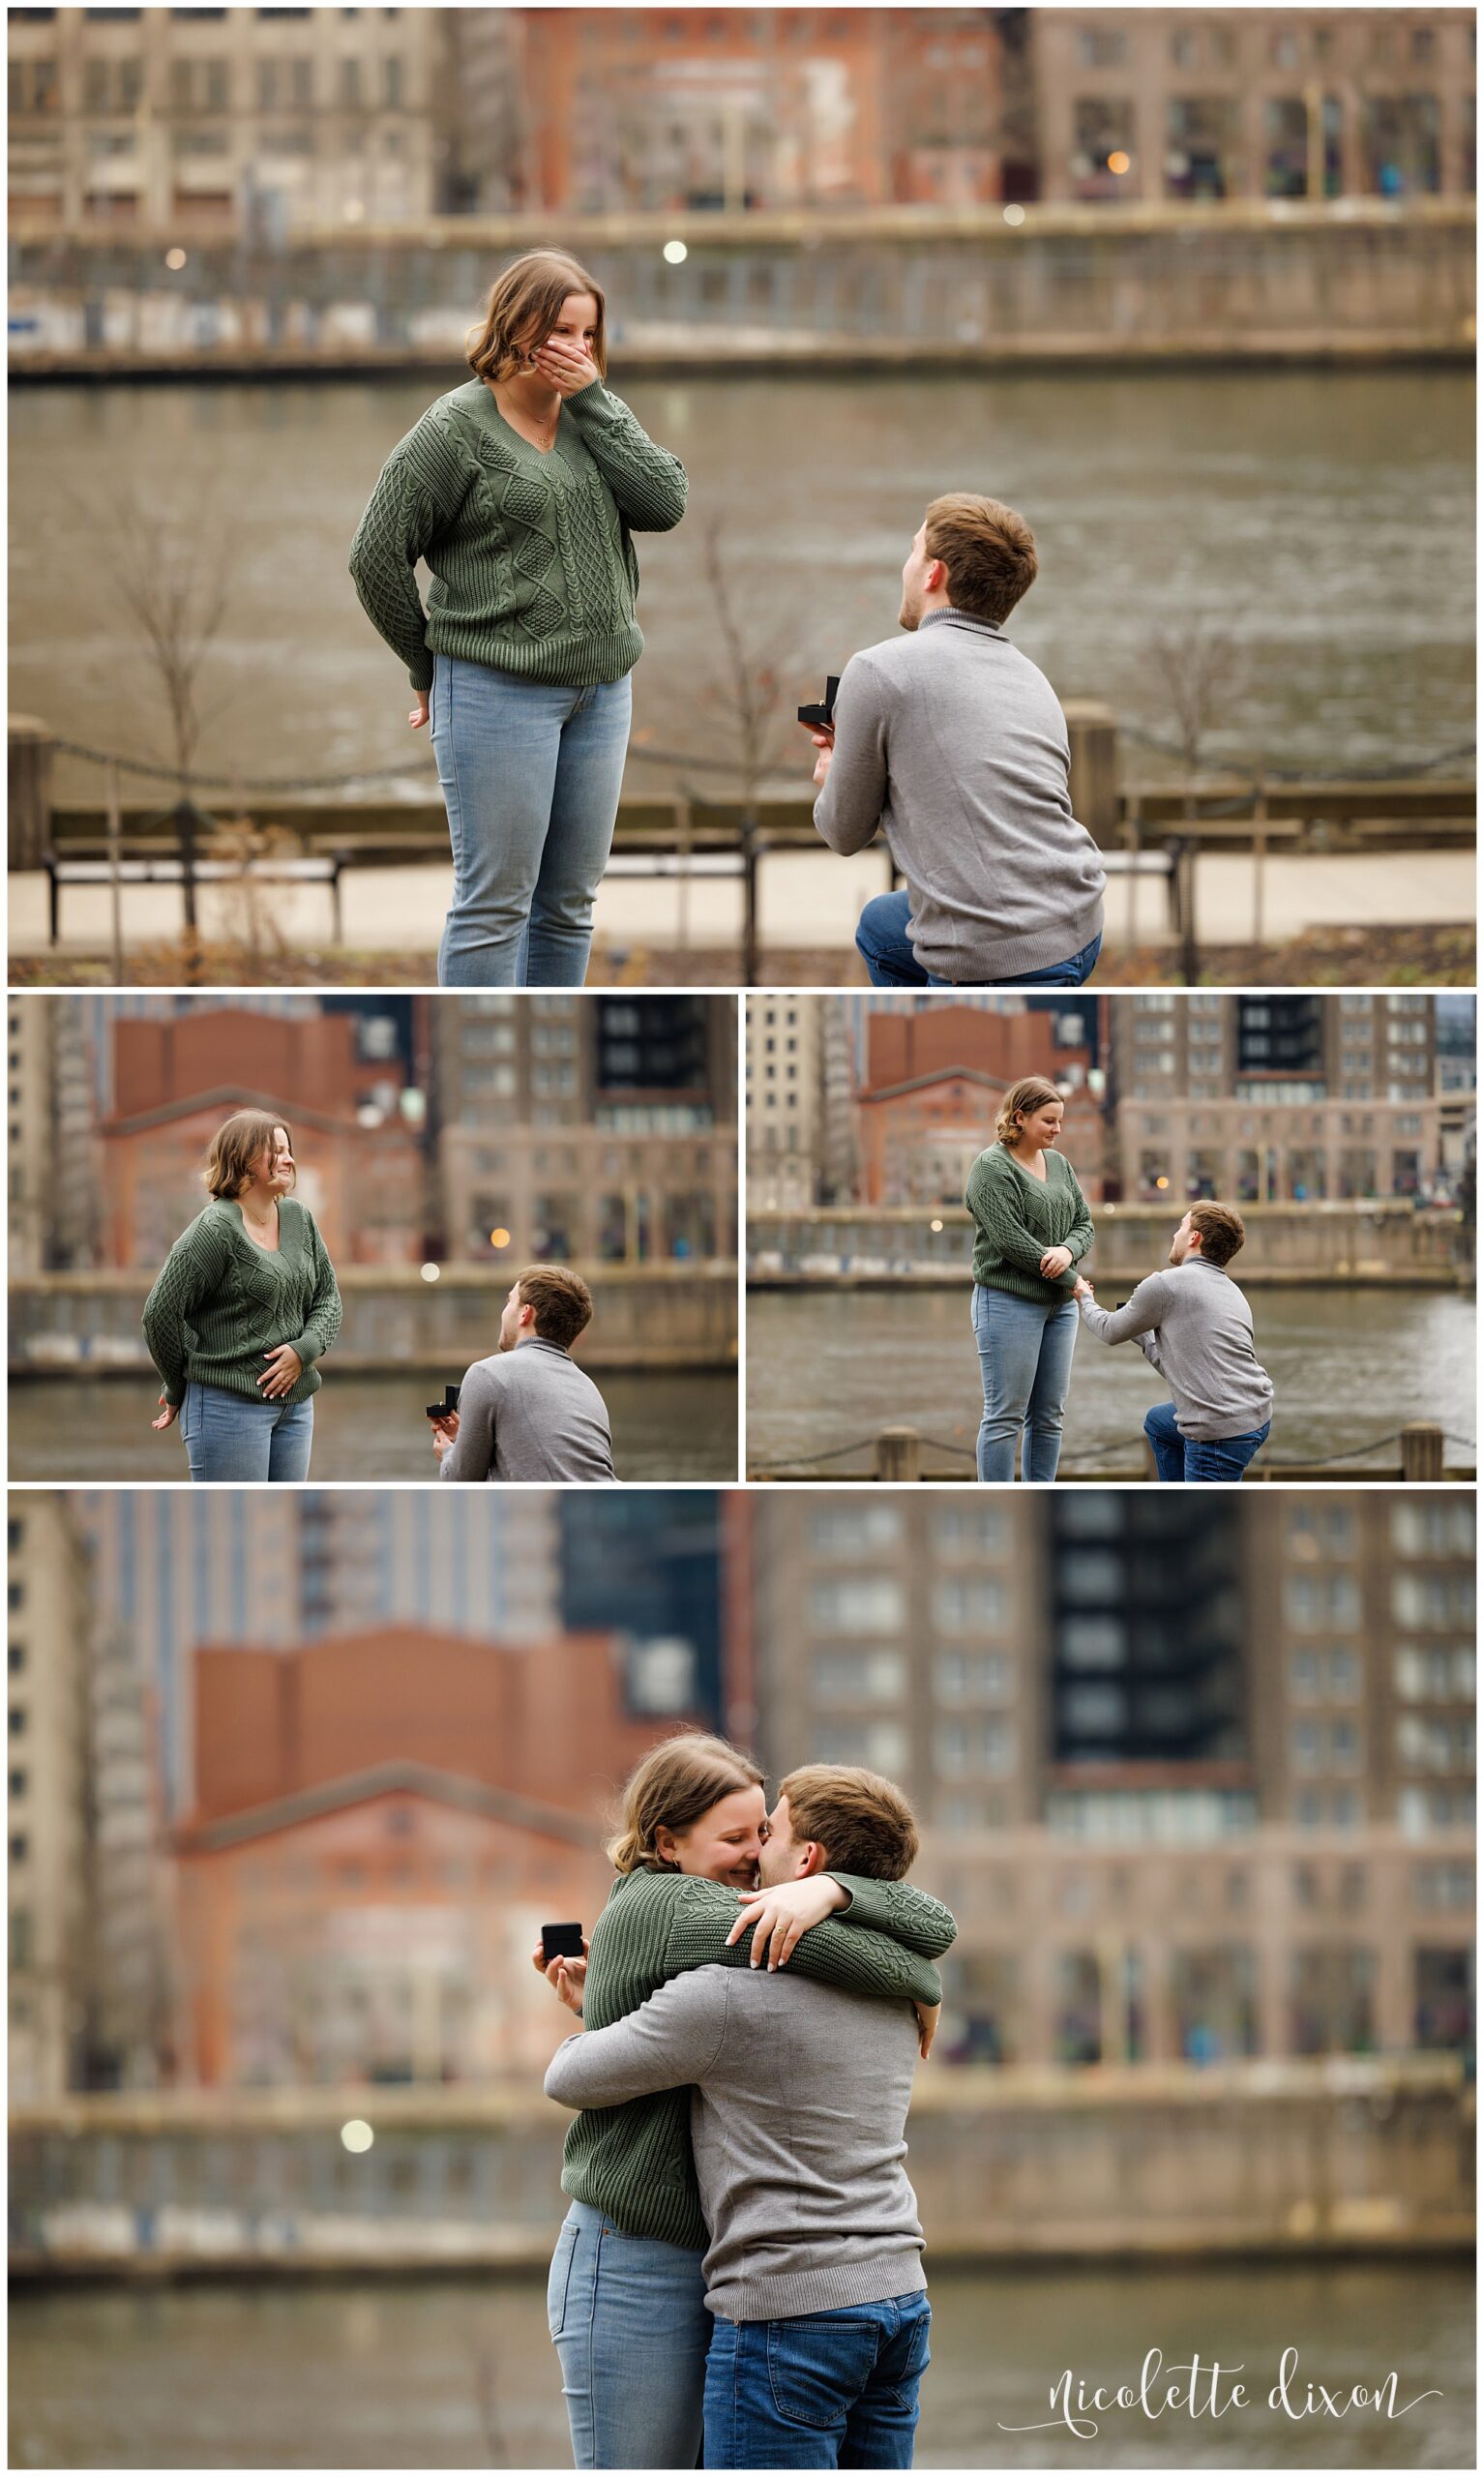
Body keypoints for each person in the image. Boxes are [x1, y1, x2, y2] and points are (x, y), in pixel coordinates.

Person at [533, 1733, 955, 2470]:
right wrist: (918, 1978)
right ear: (666, 1842)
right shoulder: (675, 1908)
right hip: (636, 2249)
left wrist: (828, 1892)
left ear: (805, 1854)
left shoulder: (731, 1982)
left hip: (749, 2268)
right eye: (735, 1838)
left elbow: (714, 2043)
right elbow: (908, 1946)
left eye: (764, 1832)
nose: (756, 1853)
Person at [349, 248, 688, 988]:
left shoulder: (595, 417)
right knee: (495, 907)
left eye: (589, 334)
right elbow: (374, 556)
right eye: (560, 330)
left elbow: (665, 504)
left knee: (568, 908)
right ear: (516, 324)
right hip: (495, 694)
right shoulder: (452, 430)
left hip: (603, 693)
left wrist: (596, 401)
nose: (576, 348)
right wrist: (425, 667)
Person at [806, 493, 1106, 989]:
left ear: (933, 573)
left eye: (913, 550)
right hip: (1080, 921)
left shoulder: (877, 670)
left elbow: (843, 832)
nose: (905, 565)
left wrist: (835, 774)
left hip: (994, 954)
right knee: (881, 925)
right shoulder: (1032, 677)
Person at [142, 1111, 341, 1483]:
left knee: (282, 1514)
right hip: (227, 1407)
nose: (289, 1159)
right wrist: (177, 1383)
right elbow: (159, 1314)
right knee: (235, 1513)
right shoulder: (213, 1229)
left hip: (297, 1408)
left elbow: (329, 1298)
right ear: (243, 1158)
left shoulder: (299, 1218)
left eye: (289, 1150)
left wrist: (304, 1349)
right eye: (276, 1151)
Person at [1074, 1200, 1274, 1481]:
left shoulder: (1165, 1284)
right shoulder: (1231, 1290)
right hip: (1257, 1413)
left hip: (1217, 1430)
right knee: (1159, 1423)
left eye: (1181, 1226)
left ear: (1194, 1238)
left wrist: (1085, 1298)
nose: (1175, 1234)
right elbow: (1183, 1371)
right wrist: (1144, 1335)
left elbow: (1108, 1330)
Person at [965, 1075, 1094, 1483]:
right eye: (1049, 1121)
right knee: (1004, 1416)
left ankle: (1041, 1496)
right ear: (1020, 1117)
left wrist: (1067, 1250)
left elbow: (1085, 1223)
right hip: (1008, 1302)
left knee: (1049, 1416)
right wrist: (1073, 1279)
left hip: (1059, 1308)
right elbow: (1011, 1242)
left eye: (1060, 1121)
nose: (1058, 1130)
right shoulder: (991, 1168)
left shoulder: (1059, 1165)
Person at [430, 1263, 615, 1482]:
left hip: (555, 1504)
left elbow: (461, 1482)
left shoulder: (487, 1374)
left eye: (509, 1301)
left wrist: (449, 1453)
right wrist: (467, 1440)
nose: (504, 1311)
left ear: (525, 1313)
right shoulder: (588, 1387)